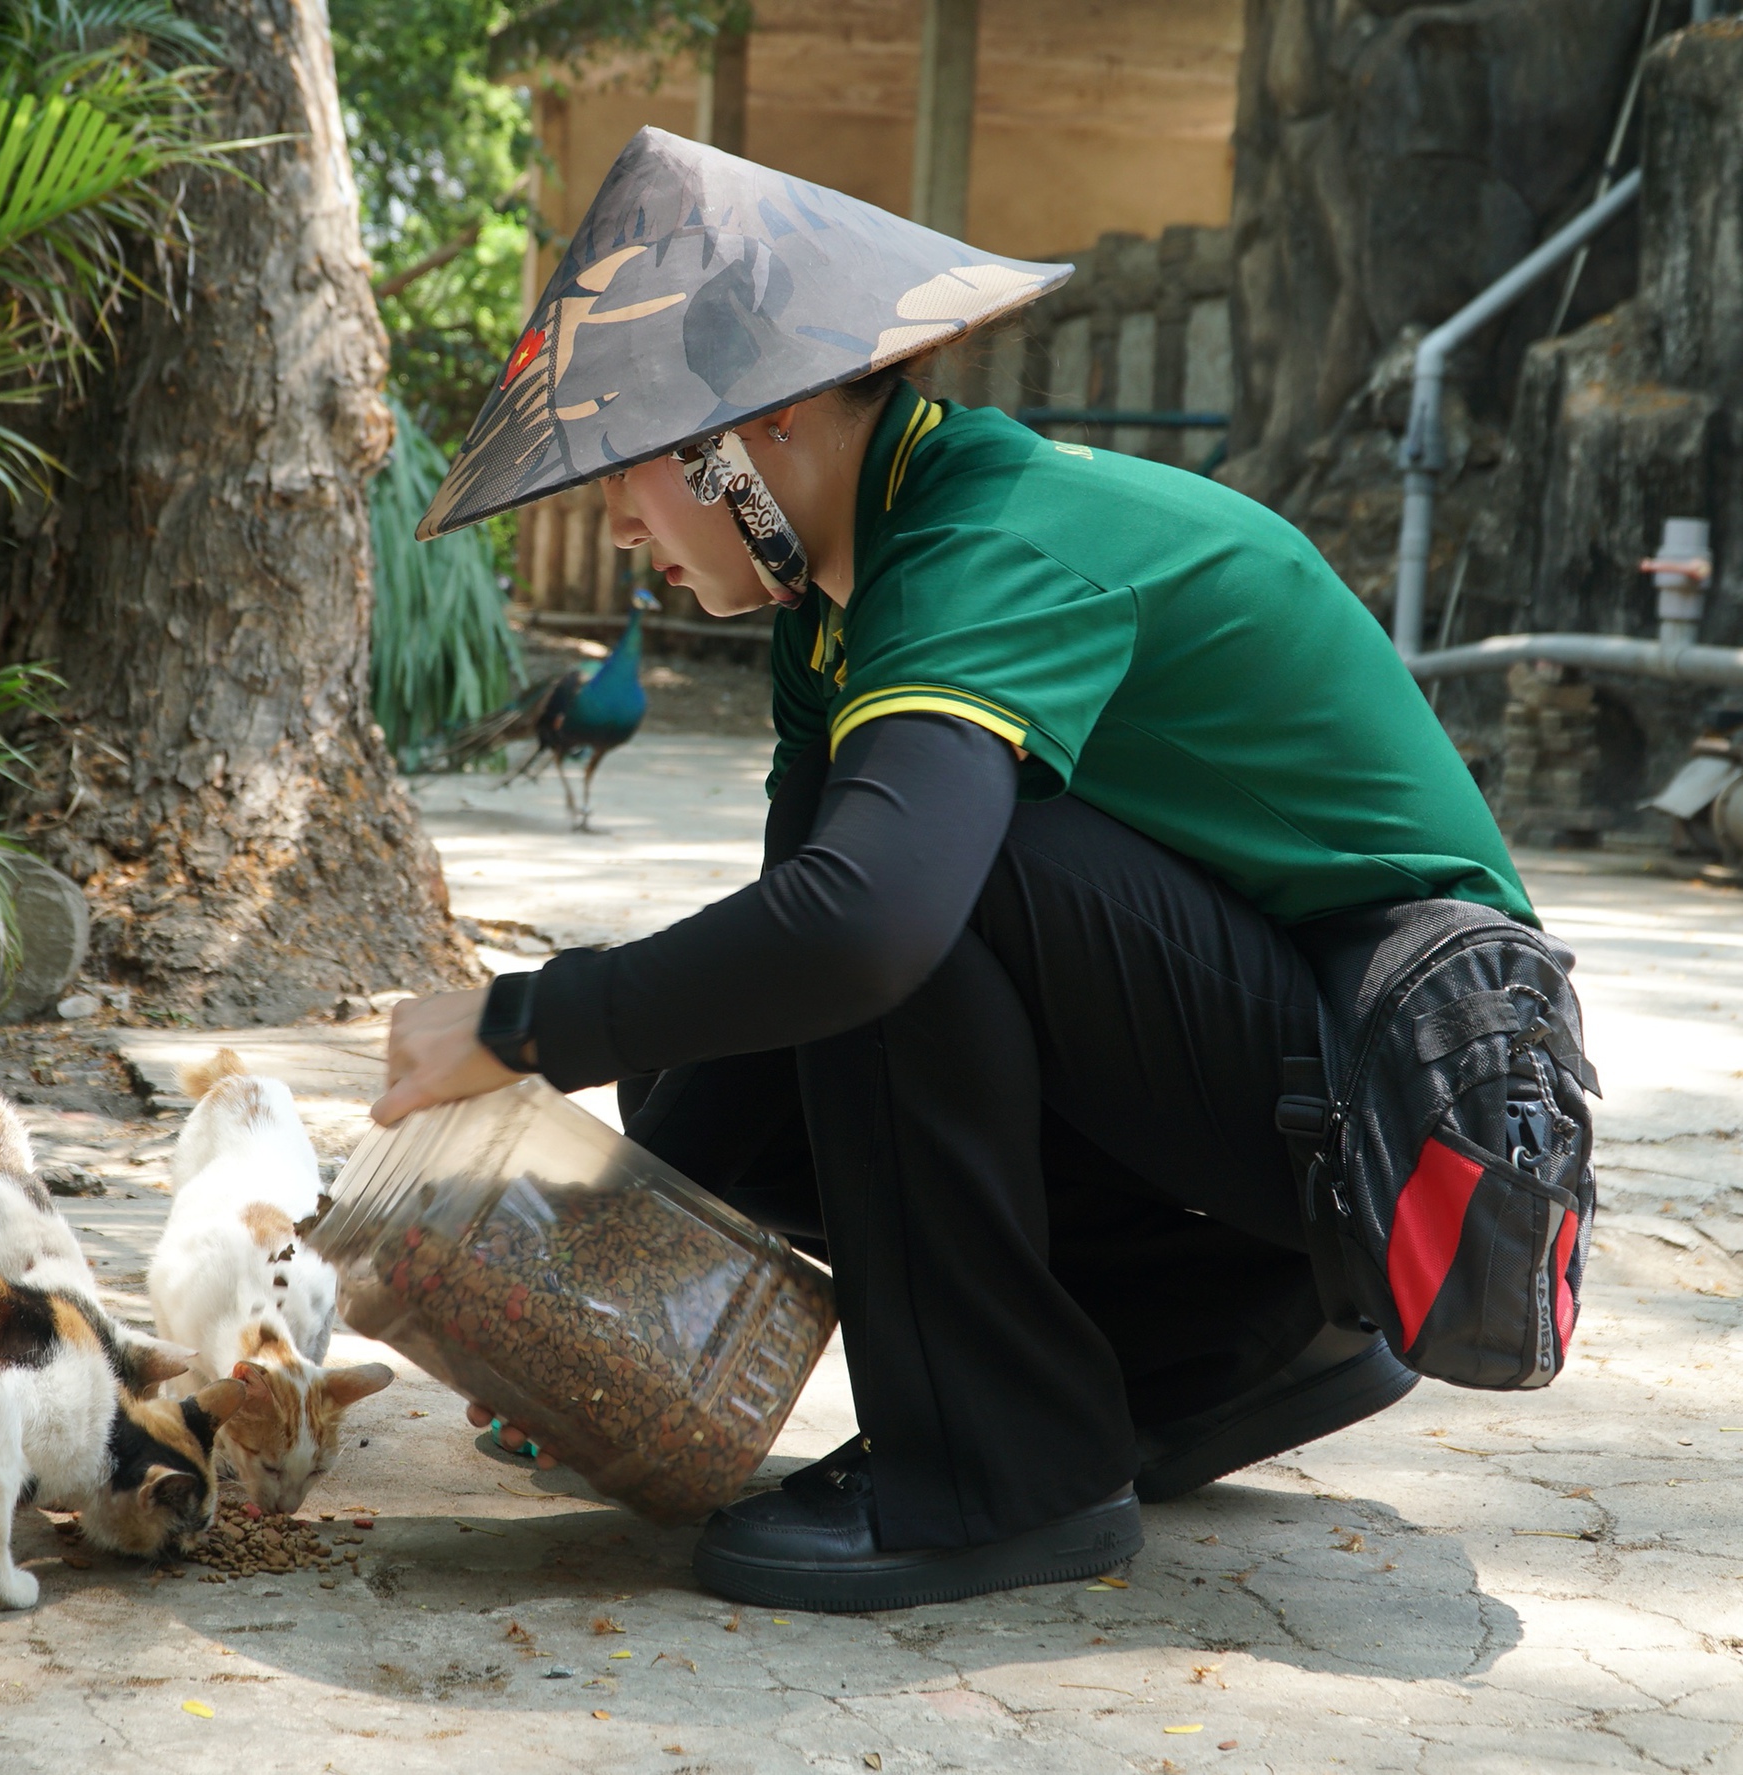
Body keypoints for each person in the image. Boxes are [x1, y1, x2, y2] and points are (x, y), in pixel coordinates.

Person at [375, 128, 1535, 1612]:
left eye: (629, 469)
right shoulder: (838, 610)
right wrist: (583, 1284)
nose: (611, 526)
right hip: (1286, 1131)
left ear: (764, 426)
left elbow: (863, 932)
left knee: (911, 899)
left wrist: (515, 1024)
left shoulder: (982, 543)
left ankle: (1000, 1475)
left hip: (1419, 1114)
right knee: (778, 988)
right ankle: (1200, 1346)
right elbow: (783, 975)